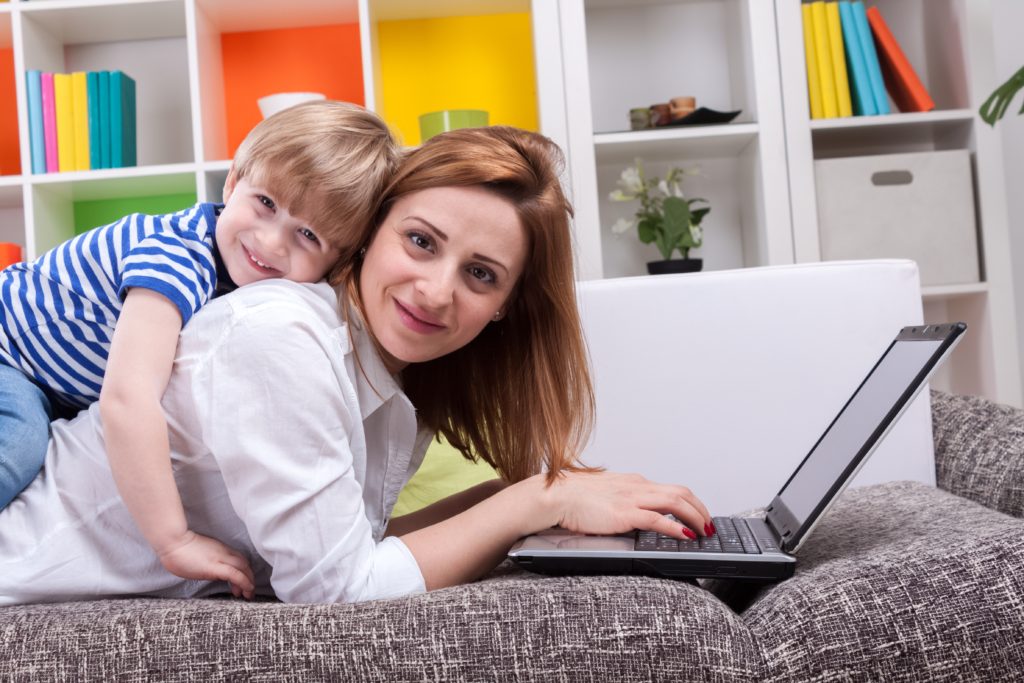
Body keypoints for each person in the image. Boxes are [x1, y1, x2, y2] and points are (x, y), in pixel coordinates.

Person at [0, 126, 710, 606]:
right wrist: (538, 503)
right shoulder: (280, 336)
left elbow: (348, 546)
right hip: (24, 589)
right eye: (421, 241)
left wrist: (536, 491)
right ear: (367, 234)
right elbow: (337, 591)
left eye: (482, 275)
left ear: (505, 307)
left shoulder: (391, 376)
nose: (436, 291)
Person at [0, 100, 399, 599]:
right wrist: (173, 539)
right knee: (18, 445)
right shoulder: (177, 258)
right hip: (9, 353)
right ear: (232, 182)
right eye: (266, 203)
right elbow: (127, 400)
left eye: (308, 235)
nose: (272, 243)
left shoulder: (263, 294)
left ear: (339, 263)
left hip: (49, 382)